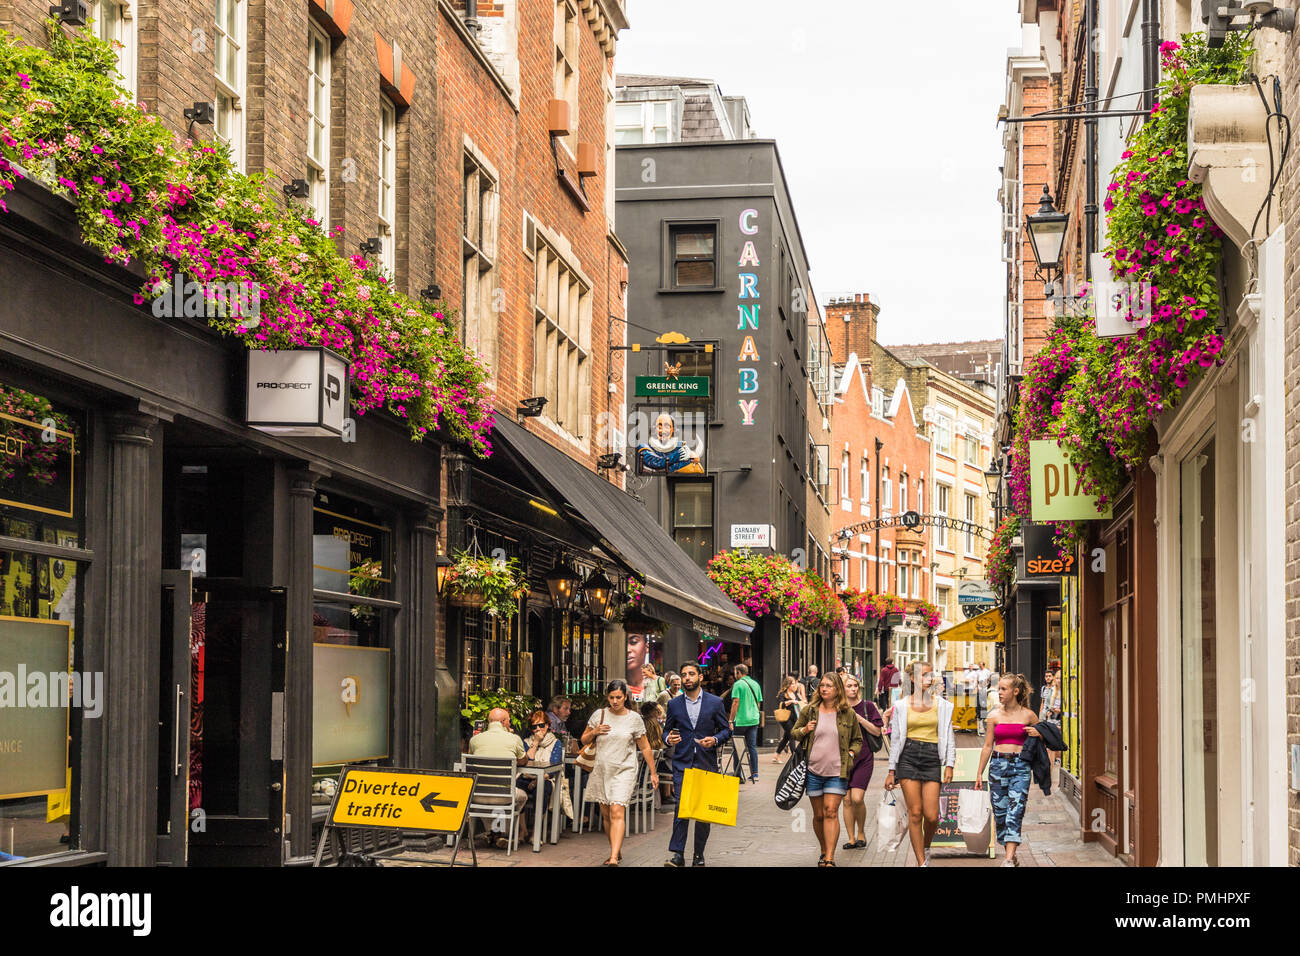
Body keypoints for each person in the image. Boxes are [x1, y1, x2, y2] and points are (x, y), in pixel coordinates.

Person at [884, 662, 956, 867]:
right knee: (915, 813)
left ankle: (925, 845)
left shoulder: (942, 705)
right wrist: (891, 770)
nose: (929, 678)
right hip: (908, 757)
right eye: (924, 675)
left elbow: (949, 737)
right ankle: (921, 862)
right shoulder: (901, 705)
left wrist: (949, 764)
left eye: (930, 674)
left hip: (932, 757)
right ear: (913, 678)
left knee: (932, 815)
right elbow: (896, 739)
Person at [662, 660, 732, 867]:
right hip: (682, 763)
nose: (687, 678)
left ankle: (699, 855)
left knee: (703, 813)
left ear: (700, 677)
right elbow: (667, 730)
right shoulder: (674, 704)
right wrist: (668, 739)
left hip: (705, 762)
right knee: (681, 808)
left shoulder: (714, 703)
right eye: (684, 675)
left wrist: (715, 739)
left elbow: (726, 730)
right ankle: (677, 854)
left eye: (691, 674)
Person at [581, 679, 658, 866]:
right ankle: (616, 848)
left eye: (619, 697)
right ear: (607, 697)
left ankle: (614, 857)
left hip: (625, 770)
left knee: (617, 810)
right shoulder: (598, 715)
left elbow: (645, 747)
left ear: (625, 697)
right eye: (611, 697)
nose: (615, 701)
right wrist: (595, 732)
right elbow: (583, 740)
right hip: (602, 769)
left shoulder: (634, 719)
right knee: (606, 814)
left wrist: (653, 772)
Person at [790, 672, 861, 866]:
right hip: (813, 771)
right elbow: (794, 733)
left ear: (838, 689)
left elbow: (857, 740)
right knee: (819, 815)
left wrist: (852, 754)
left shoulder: (848, 713)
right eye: (822, 685)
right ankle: (823, 849)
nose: (824, 689)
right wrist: (805, 730)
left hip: (837, 772)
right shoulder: (810, 710)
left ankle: (829, 857)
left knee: (831, 811)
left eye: (829, 685)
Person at [975, 674, 1041, 866]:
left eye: (1003, 689)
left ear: (1015, 691)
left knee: (1015, 811)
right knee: (1001, 815)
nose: (999, 692)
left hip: (1020, 767)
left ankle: (1009, 859)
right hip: (997, 766)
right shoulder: (993, 715)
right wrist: (979, 772)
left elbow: (1047, 738)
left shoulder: (1029, 715)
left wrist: (1038, 733)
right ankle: (1010, 854)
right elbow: (987, 746)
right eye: (999, 689)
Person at [467, 707, 532, 847]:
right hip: (504, 796)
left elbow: (470, 757)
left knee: (488, 799)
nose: (510, 724)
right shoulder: (514, 739)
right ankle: (502, 833)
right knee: (522, 796)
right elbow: (523, 761)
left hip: (477, 795)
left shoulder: (475, 739)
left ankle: (494, 833)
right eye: (509, 721)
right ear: (503, 722)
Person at [840, 673, 884, 850]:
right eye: (849, 686)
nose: (853, 689)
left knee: (857, 798)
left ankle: (861, 832)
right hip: (843, 758)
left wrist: (858, 718)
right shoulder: (837, 708)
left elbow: (877, 732)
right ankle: (851, 838)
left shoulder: (868, 706)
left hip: (864, 757)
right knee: (846, 800)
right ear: (842, 688)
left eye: (855, 686)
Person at [519, 709, 564, 817]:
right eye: (534, 727)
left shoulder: (555, 742)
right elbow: (527, 761)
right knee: (515, 786)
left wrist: (536, 780)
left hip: (546, 778)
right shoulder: (526, 742)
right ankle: (522, 829)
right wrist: (536, 742)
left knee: (541, 789)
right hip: (526, 777)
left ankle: (536, 830)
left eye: (541, 725)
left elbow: (554, 768)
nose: (538, 729)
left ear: (548, 725)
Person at [728, 663, 763, 783]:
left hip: (741, 720)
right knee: (752, 747)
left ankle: (738, 774)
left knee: (737, 747)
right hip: (753, 720)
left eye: (735, 672)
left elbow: (735, 702)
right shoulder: (755, 684)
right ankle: (755, 773)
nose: (734, 674)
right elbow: (758, 703)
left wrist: (731, 720)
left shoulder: (738, 684)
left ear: (738, 673)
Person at [772, 674, 806, 763]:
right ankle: (795, 756)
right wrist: (790, 701)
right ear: (788, 685)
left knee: (786, 738)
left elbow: (800, 702)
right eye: (793, 684)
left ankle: (776, 756)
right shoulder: (783, 694)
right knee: (792, 735)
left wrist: (802, 702)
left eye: (795, 684)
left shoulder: (795, 694)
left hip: (794, 718)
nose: (795, 686)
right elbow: (781, 704)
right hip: (786, 719)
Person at [1039, 670, 1062, 764]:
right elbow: (1045, 703)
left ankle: (1059, 760)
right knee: (1050, 745)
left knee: (1058, 744)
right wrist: (1044, 713)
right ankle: (1050, 765)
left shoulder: (1066, 691)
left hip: (1060, 720)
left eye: (1060, 678)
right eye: (1057, 678)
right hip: (1050, 719)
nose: (1058, 680)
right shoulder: (1050, 690)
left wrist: (1060, 711)